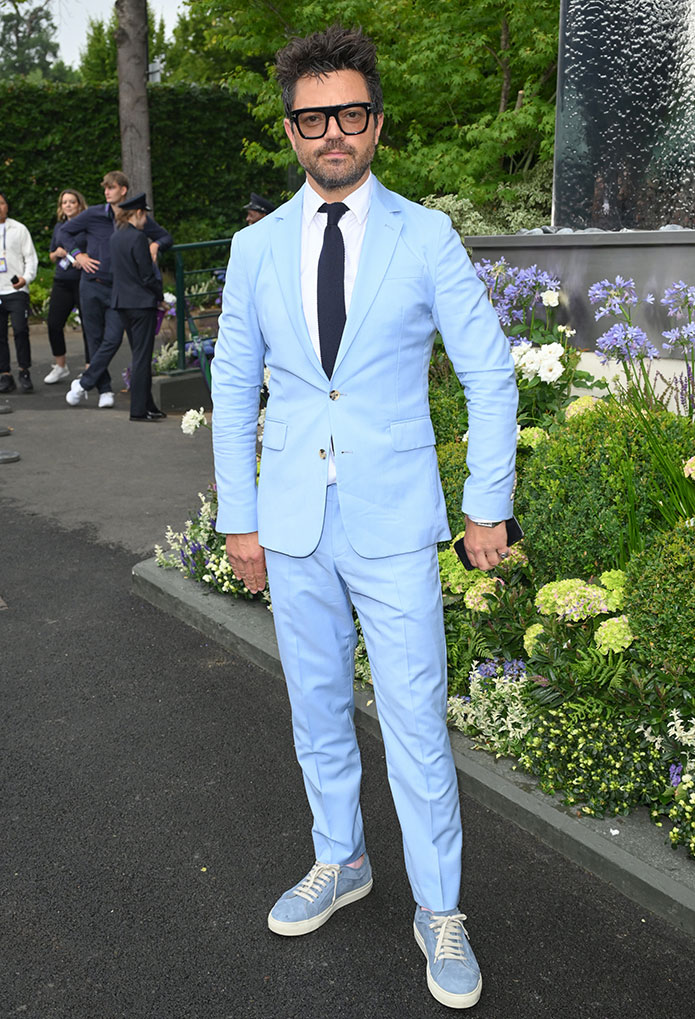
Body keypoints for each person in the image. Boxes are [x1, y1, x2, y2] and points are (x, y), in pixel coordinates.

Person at [211, 26, 518, 1010]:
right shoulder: (255, 247)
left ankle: (439, 908)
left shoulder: (425, 235)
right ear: (292, 129)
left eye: (349, 113)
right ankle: (340, 860)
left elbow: (489, 373)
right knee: (314, 712)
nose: (331, 132)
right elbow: (230, 384)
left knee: (417, 722)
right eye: (312, 117)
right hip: (293, 520)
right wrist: (240, 518)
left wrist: (486, 505)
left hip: (393, 521)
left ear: (374, 120)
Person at [61, 171, 172, 409]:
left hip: (117, 290)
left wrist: (155, 244)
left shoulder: (134, 216)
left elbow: (165, 236)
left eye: (111, 188)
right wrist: (77, 255)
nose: (106, 192)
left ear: (123, 190)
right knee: (94, 339)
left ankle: (85, 383)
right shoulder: (92, 214)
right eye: (105, 188)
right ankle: (103, 389)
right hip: (90, 285)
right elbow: (64, 233)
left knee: (111, 339)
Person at [109, 193, 166, 422]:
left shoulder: (116, 237)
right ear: (139, 213)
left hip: (122, 303)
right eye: (145, 215)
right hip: (141, 304)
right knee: (142, 358)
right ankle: (139, 409)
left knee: (138, 355)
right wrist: (160, 296)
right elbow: (146, 275)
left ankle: (148, 405)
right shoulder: (138, 239)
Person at [44, 188, 88, 384]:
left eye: (72, 202)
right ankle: (60, 365)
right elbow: (51, 255)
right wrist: (58, 253)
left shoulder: (87, 226)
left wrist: (83, 258)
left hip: (82, 281)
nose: (68, 205)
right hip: (62, 280)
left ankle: (90, 367)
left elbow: (95, 251)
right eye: (64, 202)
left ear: (79, 205)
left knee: (89, 325)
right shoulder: (59, 228)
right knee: (53, 323)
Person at [0, 191, 39, 394]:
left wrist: (26, 278)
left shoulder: (19, 229)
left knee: (20, 330)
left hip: (16, 290)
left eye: (2, 203)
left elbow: (30, 258)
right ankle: (5, 374)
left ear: (7, 206)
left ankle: (24, 371)